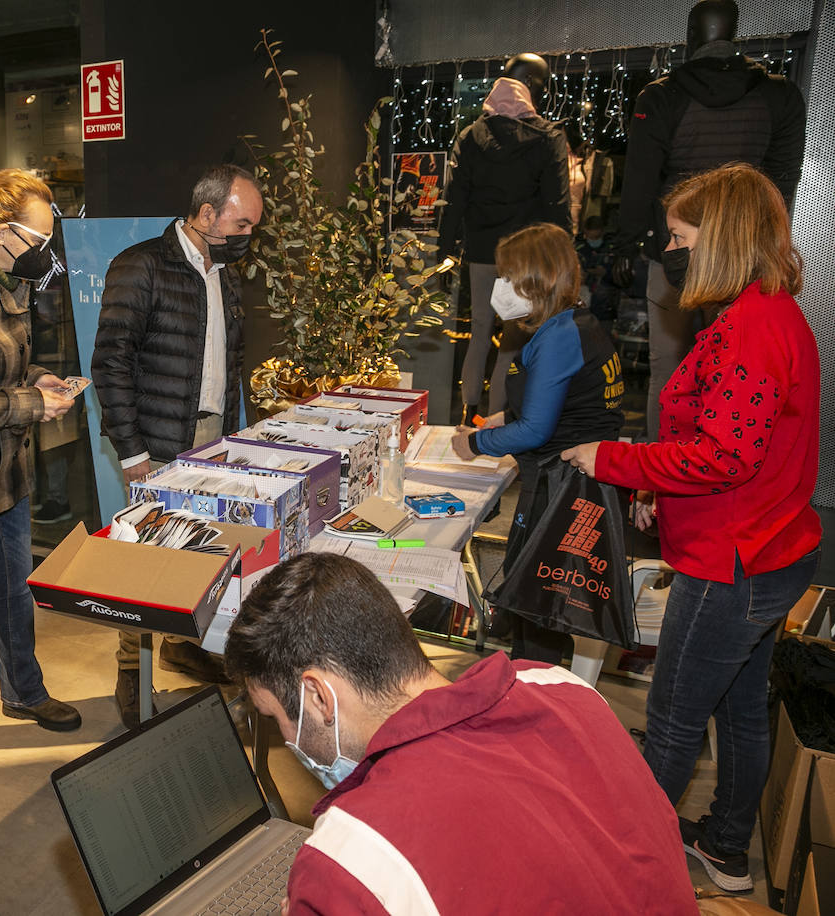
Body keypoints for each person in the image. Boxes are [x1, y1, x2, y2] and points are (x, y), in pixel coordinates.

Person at [564, 163, 821, 895]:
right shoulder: (761, 312)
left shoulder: (749, 329)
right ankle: (727, 850)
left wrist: (616, 460)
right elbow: (729, 447)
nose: (668, 252)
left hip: (732, 565)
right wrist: (658, 485)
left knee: (675, 719)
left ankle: (616, 868)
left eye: (679, 238)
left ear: (722, 239)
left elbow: (723, 455)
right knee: (739, 715)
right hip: (767, 551)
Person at [223, 552, 696, 915]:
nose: (285, 738)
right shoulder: (564, 689)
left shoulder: (353, 862)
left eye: (274, 717)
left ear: (319, 698)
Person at [91, 163, 263, 729]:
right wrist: (133, 452)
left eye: (253, 226)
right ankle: (129, 669)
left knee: (203, 555)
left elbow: (229, 363)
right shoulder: (141, 265)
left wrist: (233, 434)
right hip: (158, 441)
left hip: (212, 438)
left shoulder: (224, 274)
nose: (247, 237)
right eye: (240, 223)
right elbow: (110, 363)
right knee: (143, 564)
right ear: (206, 213)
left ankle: (182, 645)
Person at [612, 0, 805, 440]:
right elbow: (781, 186)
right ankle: (714, 467)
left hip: (676, 251)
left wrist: (626, 245)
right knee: (735, 373)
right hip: (743, 255)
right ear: (733, 35)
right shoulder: (779, 95)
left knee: (669, 372)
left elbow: (639, 181)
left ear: (690, 37)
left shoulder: (662, 95)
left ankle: (660, 485)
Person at [451, 223, 624, 663]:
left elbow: (536, 431)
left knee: (540, 610)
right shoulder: (573, 324)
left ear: (537, 279)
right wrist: (499, 417)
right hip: (568, 484)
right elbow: (557, 402)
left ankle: (532, 705)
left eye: (508, 278)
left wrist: (477, 443)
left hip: (560, 490)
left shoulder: (559, 337)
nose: (500, 287)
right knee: (533, 601)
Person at [0, 168, 81, 731]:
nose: (46, 252)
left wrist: (40, 379)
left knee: (15, 594)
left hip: (10, 473)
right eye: (39, 240)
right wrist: (30, 404)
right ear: (2, 233)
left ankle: (24, 691)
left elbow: (5, 372)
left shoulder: (14, 285)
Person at [438, 53, 571, 421]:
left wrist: (444, 252)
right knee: (513, 339)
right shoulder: (547, 139)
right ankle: (495, 421)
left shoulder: (470, 136)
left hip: (481, 252)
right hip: (522, 257)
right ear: (530, 86)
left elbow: (454, 203)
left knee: (480, 332)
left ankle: (468, 414)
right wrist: (565, 260)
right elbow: (557, 207)